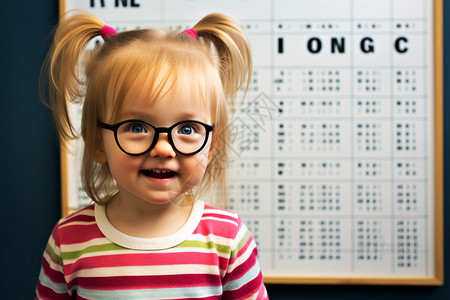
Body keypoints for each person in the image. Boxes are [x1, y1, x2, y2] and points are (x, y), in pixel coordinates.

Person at [36, 11, 268, 299]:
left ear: (212, 143)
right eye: (136, 127)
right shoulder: (68, 241)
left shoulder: (228, 239)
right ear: (98, 141)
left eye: (187, 128)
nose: (163, 148)